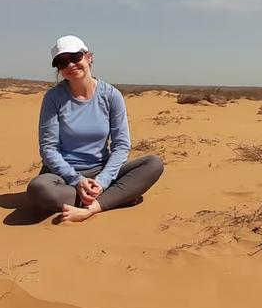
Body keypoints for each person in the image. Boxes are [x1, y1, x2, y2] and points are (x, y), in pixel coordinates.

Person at [25, 35, 164, 222]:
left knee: (153, 164)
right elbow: (48, 149)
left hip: (102, 171)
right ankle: (116, 197)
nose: (70, 65)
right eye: (62, 62)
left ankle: (91, 207)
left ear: (89, 57)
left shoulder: (111, 95)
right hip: (63, 177)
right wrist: (77, 180)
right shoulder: (53, 98)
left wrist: (102, 181)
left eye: (75, 57)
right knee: (39, 190)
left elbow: (121, 145)